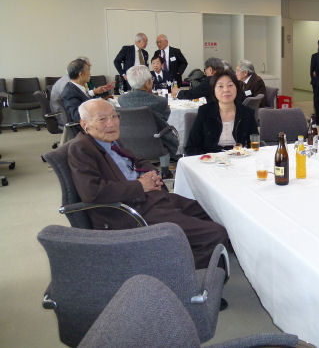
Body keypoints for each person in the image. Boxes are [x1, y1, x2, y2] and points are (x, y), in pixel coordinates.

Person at [68, 99, 228, 269]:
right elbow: (92, 192)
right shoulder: (81, 149)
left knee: (215, 212)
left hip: (150, 198)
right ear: (85, 124)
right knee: (214, 234)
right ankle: (182, 277)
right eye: (102, 119)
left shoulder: (110, 140)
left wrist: (152, 174)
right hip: (130, 211)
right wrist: (140, 185)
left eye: (114, 116)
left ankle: (193, 256)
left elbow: (137, 160)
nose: (112, 123)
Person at [118, 65, 178, 178]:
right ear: (147, 83)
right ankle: (165, 171)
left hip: (129, 142)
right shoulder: (160, 101)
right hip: (155, 143)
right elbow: (164, 119)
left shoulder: (122, 100)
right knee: (163, 133)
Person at [185, 69, 258, 155]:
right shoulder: (205, 111)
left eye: (230, 85)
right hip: (212, 159)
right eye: (220, 86)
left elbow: (254, 143)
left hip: (240, 158)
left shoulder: (247, 113)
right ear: (213, 90)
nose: (226, 90)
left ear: (237, 88)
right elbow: (191, 148)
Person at [51, 57, 114, 126]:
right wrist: (97, 107)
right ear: (81, 74)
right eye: (88, 70)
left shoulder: (77, 87)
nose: (90, 74)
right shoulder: (70, 92)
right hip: (87, 126)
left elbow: (84, 99)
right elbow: (77, 116)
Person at [310, 39, 319, 113]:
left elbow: (312, 70)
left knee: (317, 96)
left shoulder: (314, 56)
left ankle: (318, 111)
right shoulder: (315, 56)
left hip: (317, 80)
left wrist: (313, 78)